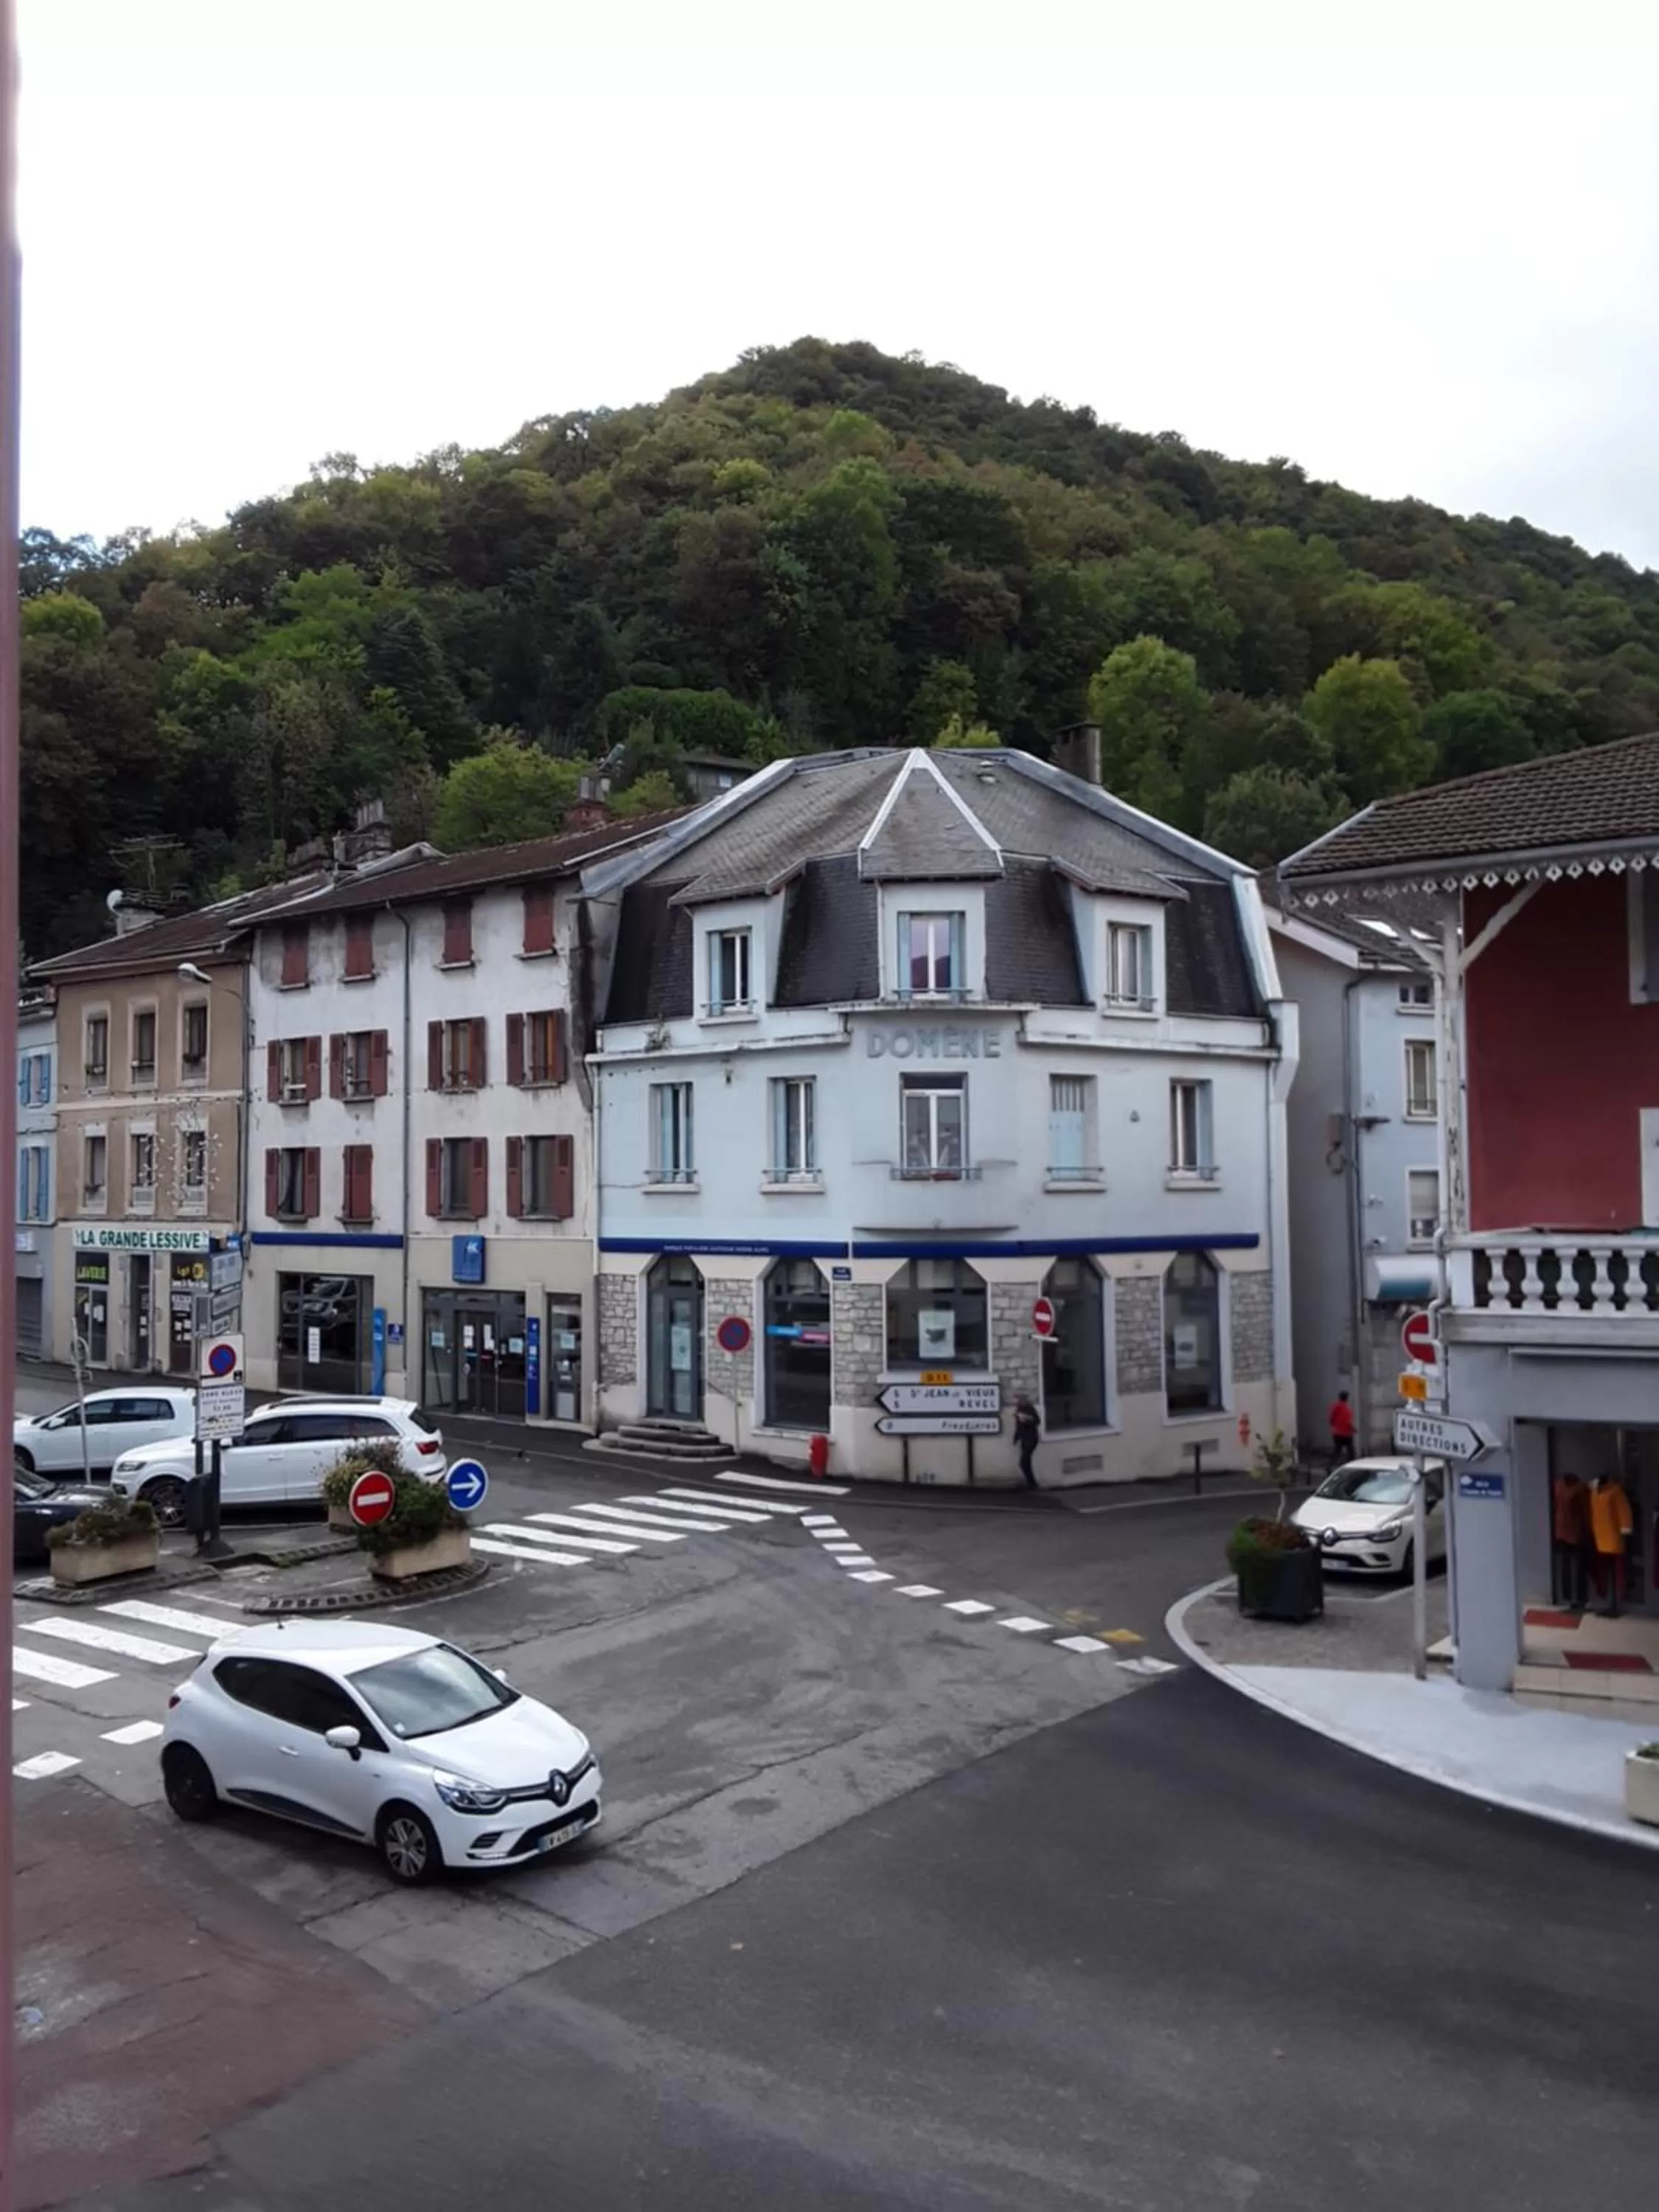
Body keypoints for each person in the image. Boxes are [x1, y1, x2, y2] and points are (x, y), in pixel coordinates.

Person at [1551, 1471, 1587, 1610]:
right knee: (1569, 1566)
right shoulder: (1564, 1486)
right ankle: (1572, 1597)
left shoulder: (1574, 1488)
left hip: (1570, 1531)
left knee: (1574, 1566)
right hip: (1567, 1531)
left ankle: (1575, 1597)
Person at [1012, 1395, 1041, 1490]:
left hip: (1031, 1439)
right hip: (1024, 1439)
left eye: (1020, 1400)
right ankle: (1030, 1483)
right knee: (1026, 1462)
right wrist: (1016, 1438)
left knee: (1023, 1462)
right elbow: (1018, 1426)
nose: (1018, 1402)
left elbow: (1037, 1421)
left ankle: (1032, 1483)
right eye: (1018, 1401)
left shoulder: (1030, 1409)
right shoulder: (1019, 1410)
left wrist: (1026, 1419)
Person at [1328, 1390, 1356, 1467]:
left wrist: (1335, 1426)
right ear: (1346, 1398)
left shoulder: (1335, 1406)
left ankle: (1331, 1465)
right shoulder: (1346, 1408)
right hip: (1346, 1433)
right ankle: (1352, 1465)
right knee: (1350, 1451)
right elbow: (1347, 1421)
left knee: (1337, 1450)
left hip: (1338, 1433)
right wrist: (1353, 1428)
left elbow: (1331, 1419)